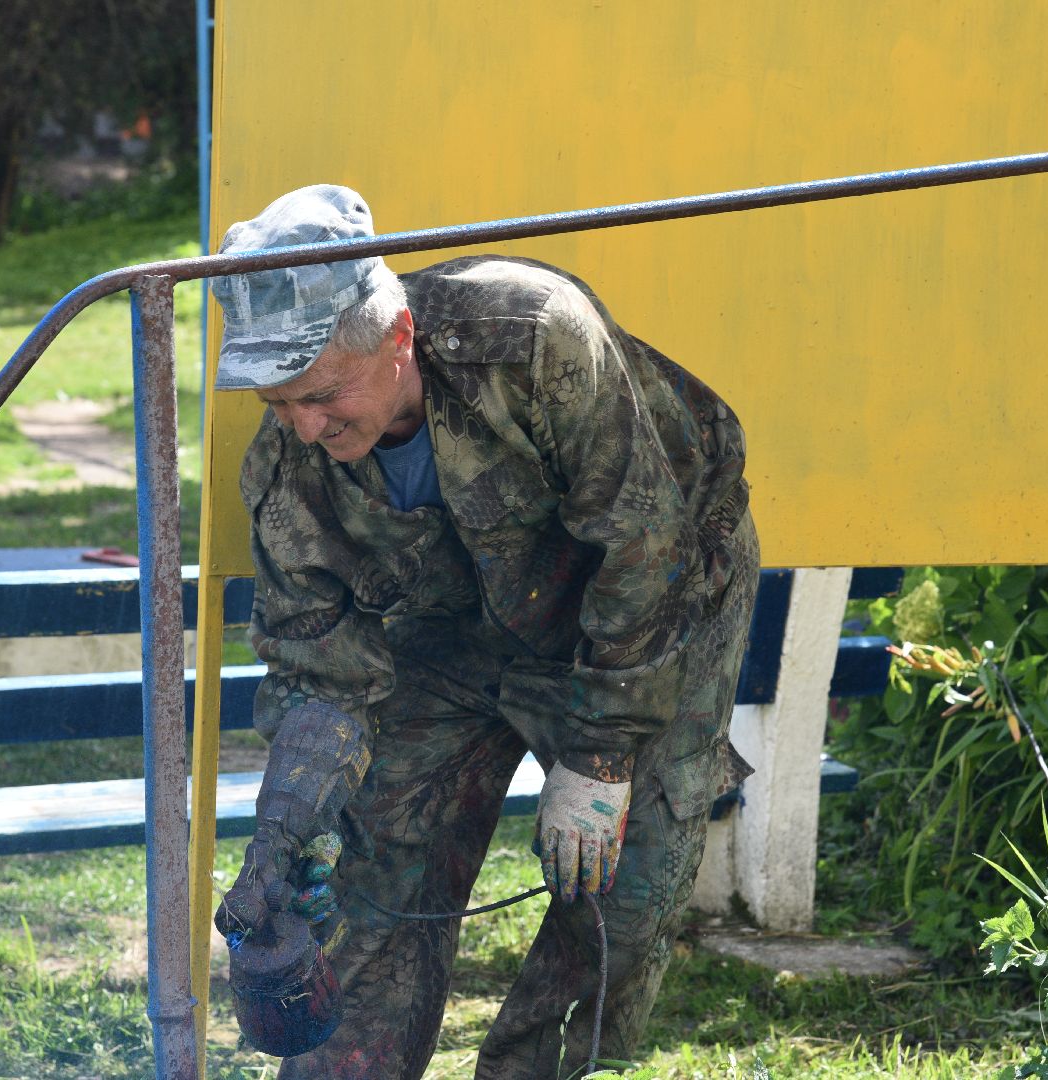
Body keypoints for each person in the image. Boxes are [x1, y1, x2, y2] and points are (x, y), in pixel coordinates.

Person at [212, 184, 759, 1079]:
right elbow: (325, 678)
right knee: (380, 853)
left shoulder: (533, 335)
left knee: (625, 879)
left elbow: (642, 540)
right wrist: (283, 838)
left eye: (321, 395)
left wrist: (604, 754)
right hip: (454, 626)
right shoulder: (285, 479)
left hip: (649, 599)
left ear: (395, 339)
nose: (305, 429)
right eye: (279, 404)